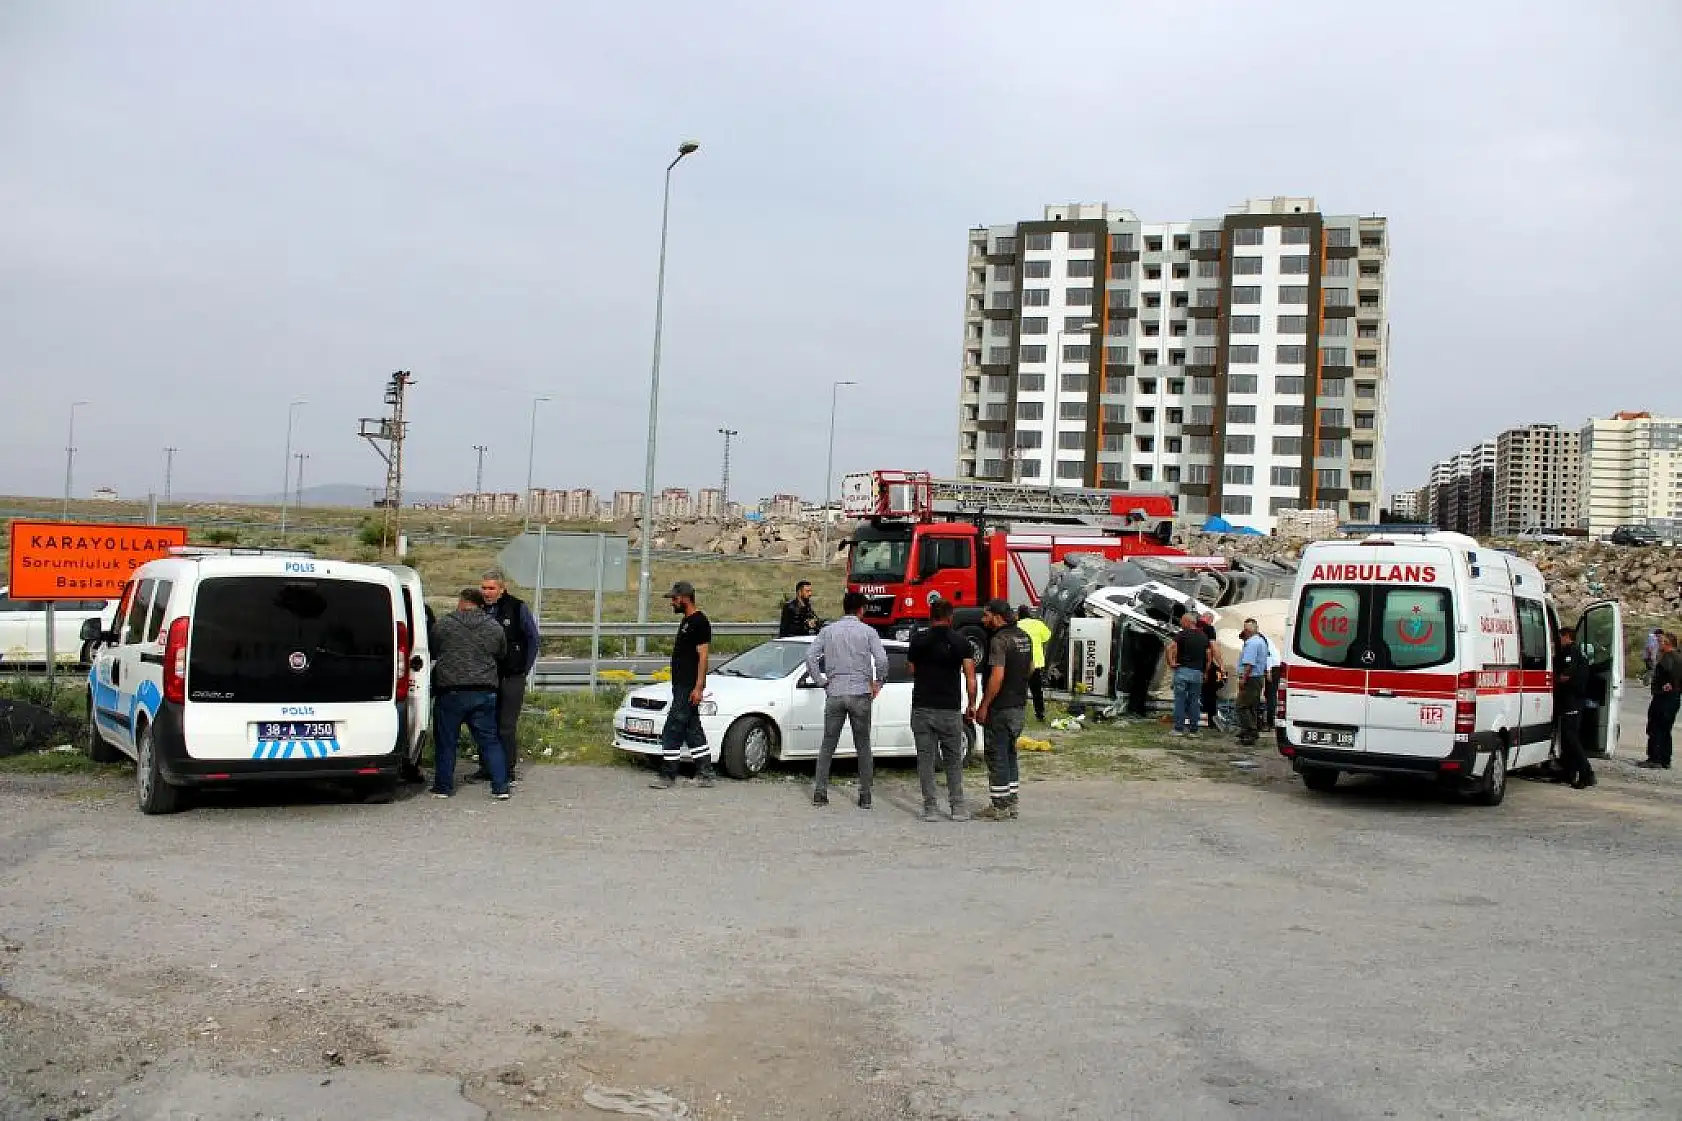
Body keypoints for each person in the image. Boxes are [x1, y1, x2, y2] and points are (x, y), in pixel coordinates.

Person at [806, 590, 890, 808]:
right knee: (863, 745)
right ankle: (865, 795)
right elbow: (881, 659)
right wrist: (878, 682)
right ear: (861, 610)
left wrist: (820, 681)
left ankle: (820, 791)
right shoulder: (868, 632)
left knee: (828, 744)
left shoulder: (828, 631)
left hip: (834, 691)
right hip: (860, 692)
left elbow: (810, 657)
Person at [429, 588, 512, 801]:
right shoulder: (493, 626)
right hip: (484, 690)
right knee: (490, 741)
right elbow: (502, 653)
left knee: (447, 741)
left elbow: (433, 649)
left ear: (461, 602)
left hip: (451, 690)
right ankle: (500, 787)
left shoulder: (445, 624)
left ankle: (443, 787)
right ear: (480, 604)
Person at [908, 599, 978, 822]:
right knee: (953, 760)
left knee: (926, 760)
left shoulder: (918, 640)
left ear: (931, 616)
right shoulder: (961, 642)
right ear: (951, 617)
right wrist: (972, 704)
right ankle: (957, 807)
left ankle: (930, 808)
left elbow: (911, 669)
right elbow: (970, 676)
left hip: (922, 706)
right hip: (949, 708)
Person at [471, 569, 541, 786]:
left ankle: (507, 770)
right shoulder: (478, 609)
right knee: (484, 724)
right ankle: (485, 767)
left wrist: (523, 669)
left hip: (511, 676)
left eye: (491, 588)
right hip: (484, 677)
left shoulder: (517, 608)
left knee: (506, 725)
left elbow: (533, 639)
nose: (486, 592)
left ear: (502, 589)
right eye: (483, 588)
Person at [651, 581, 716, 789]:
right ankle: (706, 773)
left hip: (689, 686)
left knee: (673, 727)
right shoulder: (686, 621)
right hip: (680, 684)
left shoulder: (699, 622)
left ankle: (668, 775)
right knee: (692, 728)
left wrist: (698, 687)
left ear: (685, 598)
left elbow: (703, 657)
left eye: (674, 598)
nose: (672, 602)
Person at [975, 598, 1033, 821]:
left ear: (997, 617)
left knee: (997, 754)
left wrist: (985, 705)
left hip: (1000, 708)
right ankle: (1012, 802)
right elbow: (1031, 668)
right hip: (1018, 705)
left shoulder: (999, 640)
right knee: (1010, 753)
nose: (983, 619)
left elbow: (997, 676)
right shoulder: (1023, 637)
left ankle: (999, 805)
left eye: (986, 615)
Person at [1552, 627, 1596, 789]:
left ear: (1567, 637)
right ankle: (1568, 772)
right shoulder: (1570, 652)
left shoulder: (1572, 653)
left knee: (1572, 739)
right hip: (1569, 701)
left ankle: (1587, 773)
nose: (1559, 640)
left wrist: (1553, 679)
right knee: (1566, 739)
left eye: (1560, 637)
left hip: (1572, 701)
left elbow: (1566, 676)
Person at [1167, 613, 1214, 737]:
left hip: (1182, 671)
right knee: (1194, 701)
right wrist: (1205, 672)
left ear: (1188, 622)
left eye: (1182, 622)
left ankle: (1178, 729)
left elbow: (1170, 648)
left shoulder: (1181, 635)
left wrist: (1171, 663)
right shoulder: (1204, 637)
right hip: (1197, 673)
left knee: (1180, 701)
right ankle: (1194, 730)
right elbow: (1209, 657)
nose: (1181, 624)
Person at [1641, 631, 1680, 770]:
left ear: (1668, 643)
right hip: (1670, 698)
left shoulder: (1669, 657)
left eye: (1661, 641)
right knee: (1664, 729)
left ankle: (1655, 758)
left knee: (1657, 727)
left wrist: (1672, 685)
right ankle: (1664, 759)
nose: (1658, 643)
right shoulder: (1674, 657)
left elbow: (1671, 674)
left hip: (1665, 698)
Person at [1235, 618, 1270, 746]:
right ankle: (1250, 731)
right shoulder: (1261, 641)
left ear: (1248, 630)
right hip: (1258, 677)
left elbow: (1249, 663)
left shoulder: (1252, 643)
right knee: (1251, 706)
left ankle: (1249, 731)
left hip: (1251, 678)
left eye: (1245, 629)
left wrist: (1243, 679)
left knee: (1241, 706)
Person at [1015, 606, 1051, 722]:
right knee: (1037, 690)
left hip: (1020, 662)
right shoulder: (1038, 624)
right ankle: (1040, 714)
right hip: (1036, 663)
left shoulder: (1017, 625)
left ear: (1019, 614)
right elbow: (1047, 637)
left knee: (1019, 690)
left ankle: (1018, 714)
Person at [1199, 618, 1225, 731]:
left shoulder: (1190, 629)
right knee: (1209, 693)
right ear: (1209, 619)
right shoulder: (1209, 628)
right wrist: (1221, 666)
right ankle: (1209, 719)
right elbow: (1212, 648)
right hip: (1206, 667)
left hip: (1191, 666)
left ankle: (1196, 718)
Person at [1262, 632, 1283, 732]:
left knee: (1271, 695)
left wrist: (1269, 671)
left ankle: (1270, 722)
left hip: (1273, 668)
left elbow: (1268, 655)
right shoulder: (1264, 639)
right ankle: (1270, 720)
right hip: (1274, 667)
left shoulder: (1262, 640)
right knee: (1269, 694)